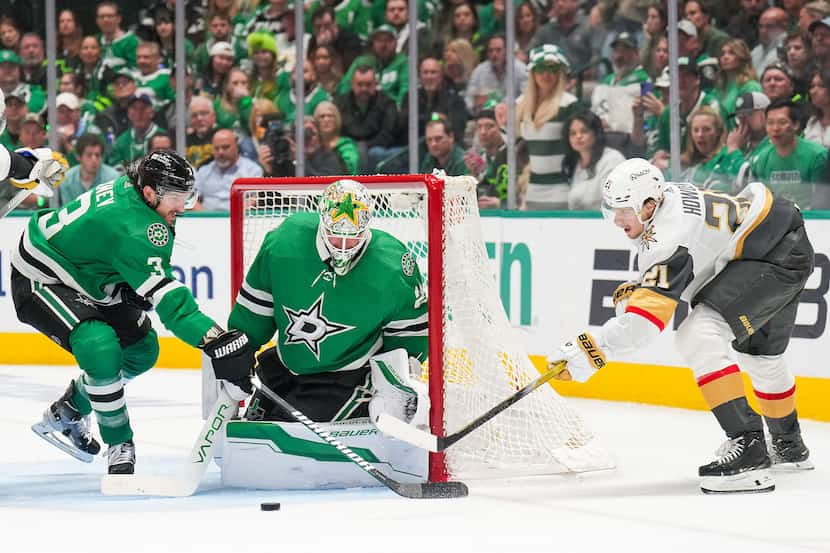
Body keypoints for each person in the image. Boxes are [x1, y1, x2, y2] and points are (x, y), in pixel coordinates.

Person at [551, 157, 814, 494]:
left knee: (698, 334)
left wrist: (590, 351)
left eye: (624, 209)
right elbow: (695, 255)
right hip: (780, 242)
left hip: (772, 256)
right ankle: (789, 447)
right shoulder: (667, 199)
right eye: (611, 208)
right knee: (761, 358)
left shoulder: (666, 237)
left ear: (648, 204)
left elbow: (642, 328)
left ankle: (749, 448)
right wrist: (643, 290)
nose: (617, 219)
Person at [15, 150, 256, 474]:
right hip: (43, 275)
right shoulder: (137, 228)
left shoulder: (139, 199)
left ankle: (70, 409)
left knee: (142, 351)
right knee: (99, 346)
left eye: (187, 196)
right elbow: (173, 306)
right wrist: (214, 339)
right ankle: (119, 444)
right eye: (175, 197)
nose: (182, 206)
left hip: (90, 276)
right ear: (149, 193)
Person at [227, 179, 429, 430]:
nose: (343, 246)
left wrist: (395, 385)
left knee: (295, 432)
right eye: (335, 236)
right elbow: (256, 310)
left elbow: (410, 334)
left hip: (348, 376)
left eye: (353, 237)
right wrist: (238, 352)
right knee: (258, 427)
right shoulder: (284, 242)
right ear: (322, 220)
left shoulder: (393, 264)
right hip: (284, 366)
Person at [517, 44, 582, 210]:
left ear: (560, 72)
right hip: (531, 191)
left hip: (561, 189)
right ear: (532, 72)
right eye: (540, 68)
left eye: (553, 69)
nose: (546, 74)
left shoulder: (569, 105)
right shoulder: (521, 105)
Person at [750, 98, 828, 209]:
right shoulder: (761, 160)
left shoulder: (818, 156)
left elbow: (822, 203)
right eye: (770, 123)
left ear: (796, 125)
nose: (775, 128)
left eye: (782, 122)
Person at [562, 111, 625, 210]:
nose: (578, 136)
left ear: (596, 133)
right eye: (573, 133)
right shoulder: (575, 163)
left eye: (584, 131)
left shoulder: (612, 160)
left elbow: (613, 204)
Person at [195, 129, 263, 211]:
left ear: (236, 146)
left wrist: (233, 216)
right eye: (216, 148)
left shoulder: (253, 170)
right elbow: (191, 199)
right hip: (206, 220)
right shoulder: (203, 171)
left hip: (239, 219)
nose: (220, 152)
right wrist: (206, 217)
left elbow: (255, 198)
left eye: (225, 147)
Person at [58, 133, 119, 205]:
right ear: (79, 157)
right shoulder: (67, 179)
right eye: (89, 155)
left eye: (97, 155)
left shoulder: (112, 178)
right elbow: (66, 210)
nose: (94, 160)